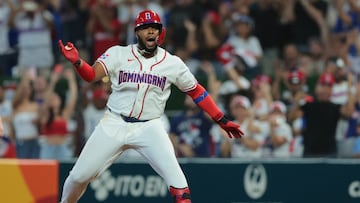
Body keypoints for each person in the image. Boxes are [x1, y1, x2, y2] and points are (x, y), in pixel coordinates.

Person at [58, 9, 244, 203]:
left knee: (180, 186)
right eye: (145, 28)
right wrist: (78, 62)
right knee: (78, 177)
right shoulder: (118, 53)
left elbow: (197, 91)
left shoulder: (172, 63)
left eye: (154, 28)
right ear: (137, 32)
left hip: (149, 126)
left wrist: (220, 119)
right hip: (114, 122)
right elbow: (91, 75)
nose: (150, 32)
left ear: (160, 33)